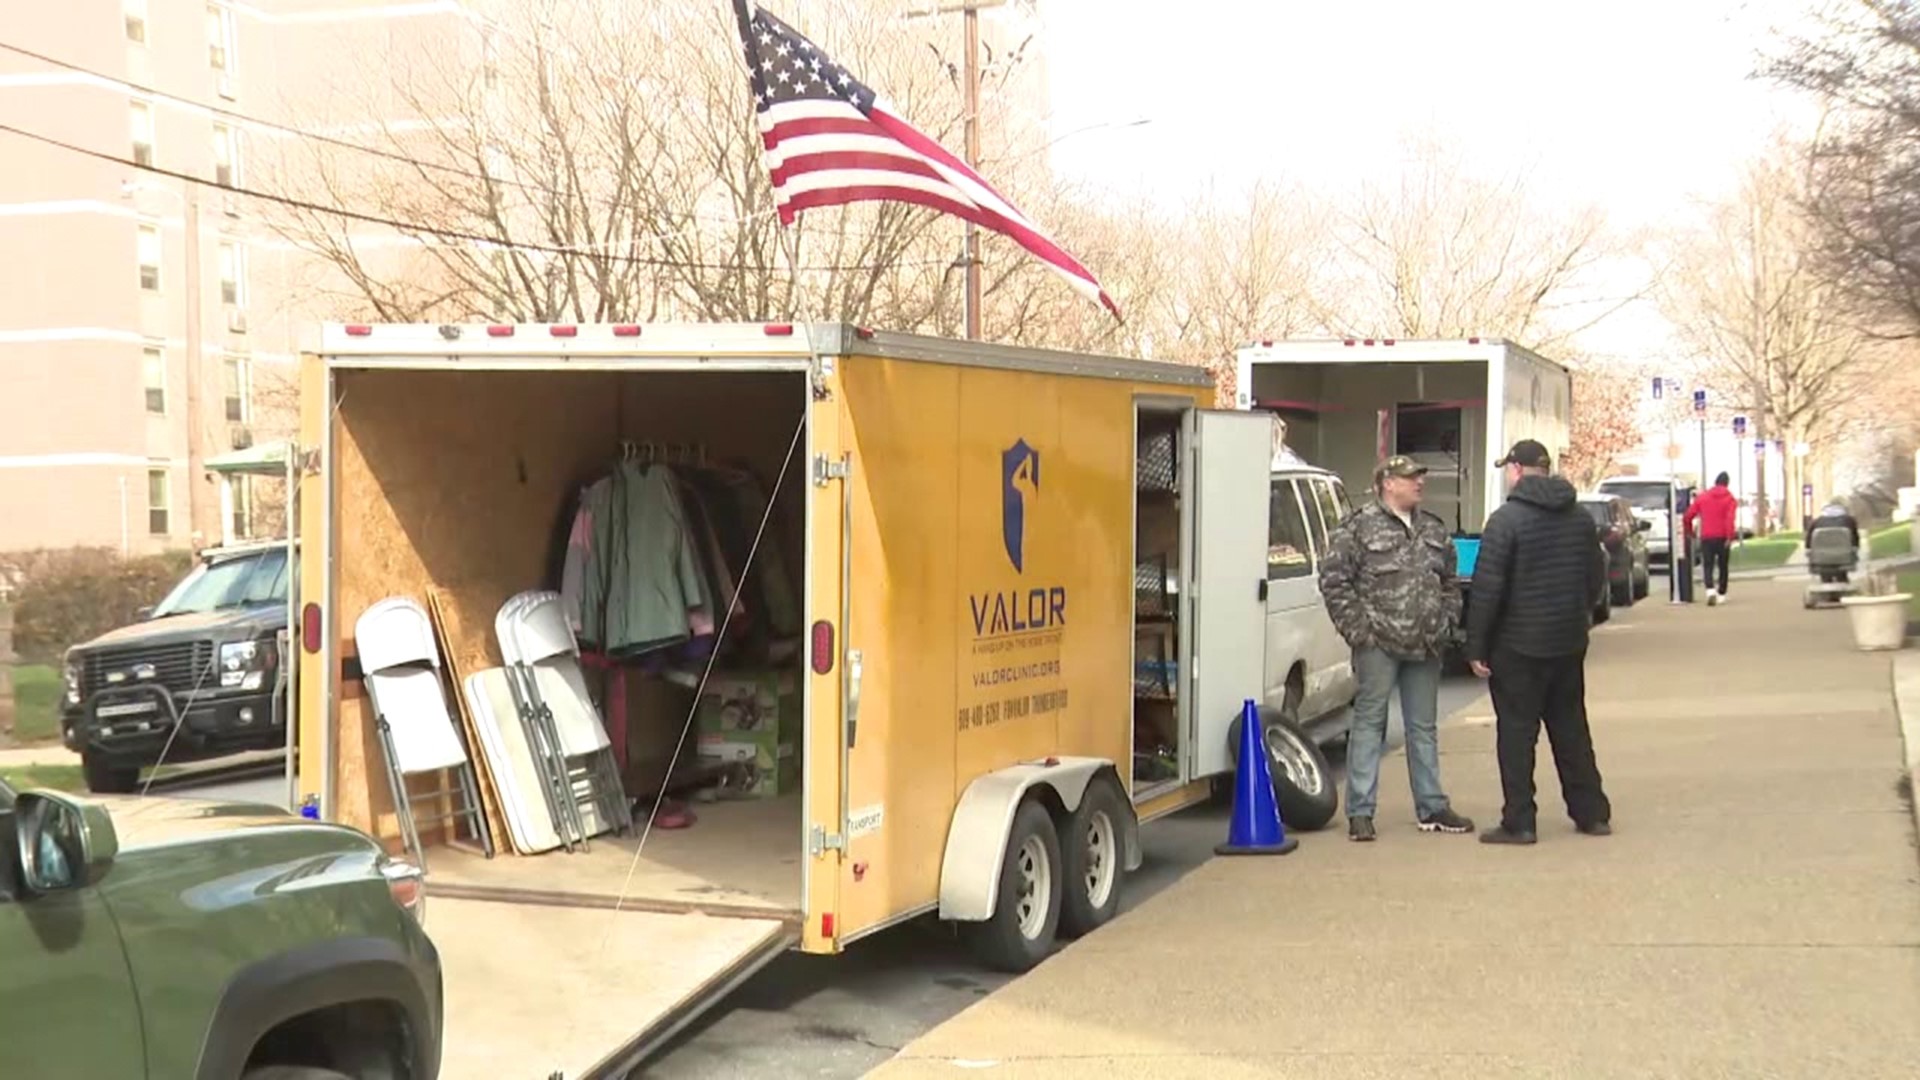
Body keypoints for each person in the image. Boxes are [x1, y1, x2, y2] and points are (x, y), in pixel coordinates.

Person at [1318, 455, 1476, 842]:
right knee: (1370, 725)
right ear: (1388, 482)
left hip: (1426, 643)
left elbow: (1450, 582)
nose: (1419, 483)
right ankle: (1360, 812)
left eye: (1420, 477)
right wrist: (1359, 632)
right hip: (1379, 644)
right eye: (1410, 478)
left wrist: (1447, 621)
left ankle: (1432, 805)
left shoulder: (1433, 530)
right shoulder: (1358, 528)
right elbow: (1334, 581)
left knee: (1423, 727)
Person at [1465, 439, 1613, 845]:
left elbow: (1488, 588)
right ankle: (1591, 813)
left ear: (1516, 469)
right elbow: (1594, 579)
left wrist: (1476, 646)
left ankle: (1520, 821)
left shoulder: (1506, 521)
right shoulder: (1579, 518)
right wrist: (1578, 615)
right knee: (1571, 729)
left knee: (1516, 734)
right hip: (1566, 639)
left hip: (1517, 645)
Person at [1683, 472, 1739, 606]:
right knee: (1723, 565)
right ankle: (1721, 593)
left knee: (1707, 565)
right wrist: (1729, 536)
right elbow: (1729, 519)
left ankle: (1710, 590)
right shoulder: (1730, 499)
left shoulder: (1703, 497)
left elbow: (1688, 516)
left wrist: (1689, 531)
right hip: (1722, 536)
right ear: (1727, 483)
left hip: (1707, 536)